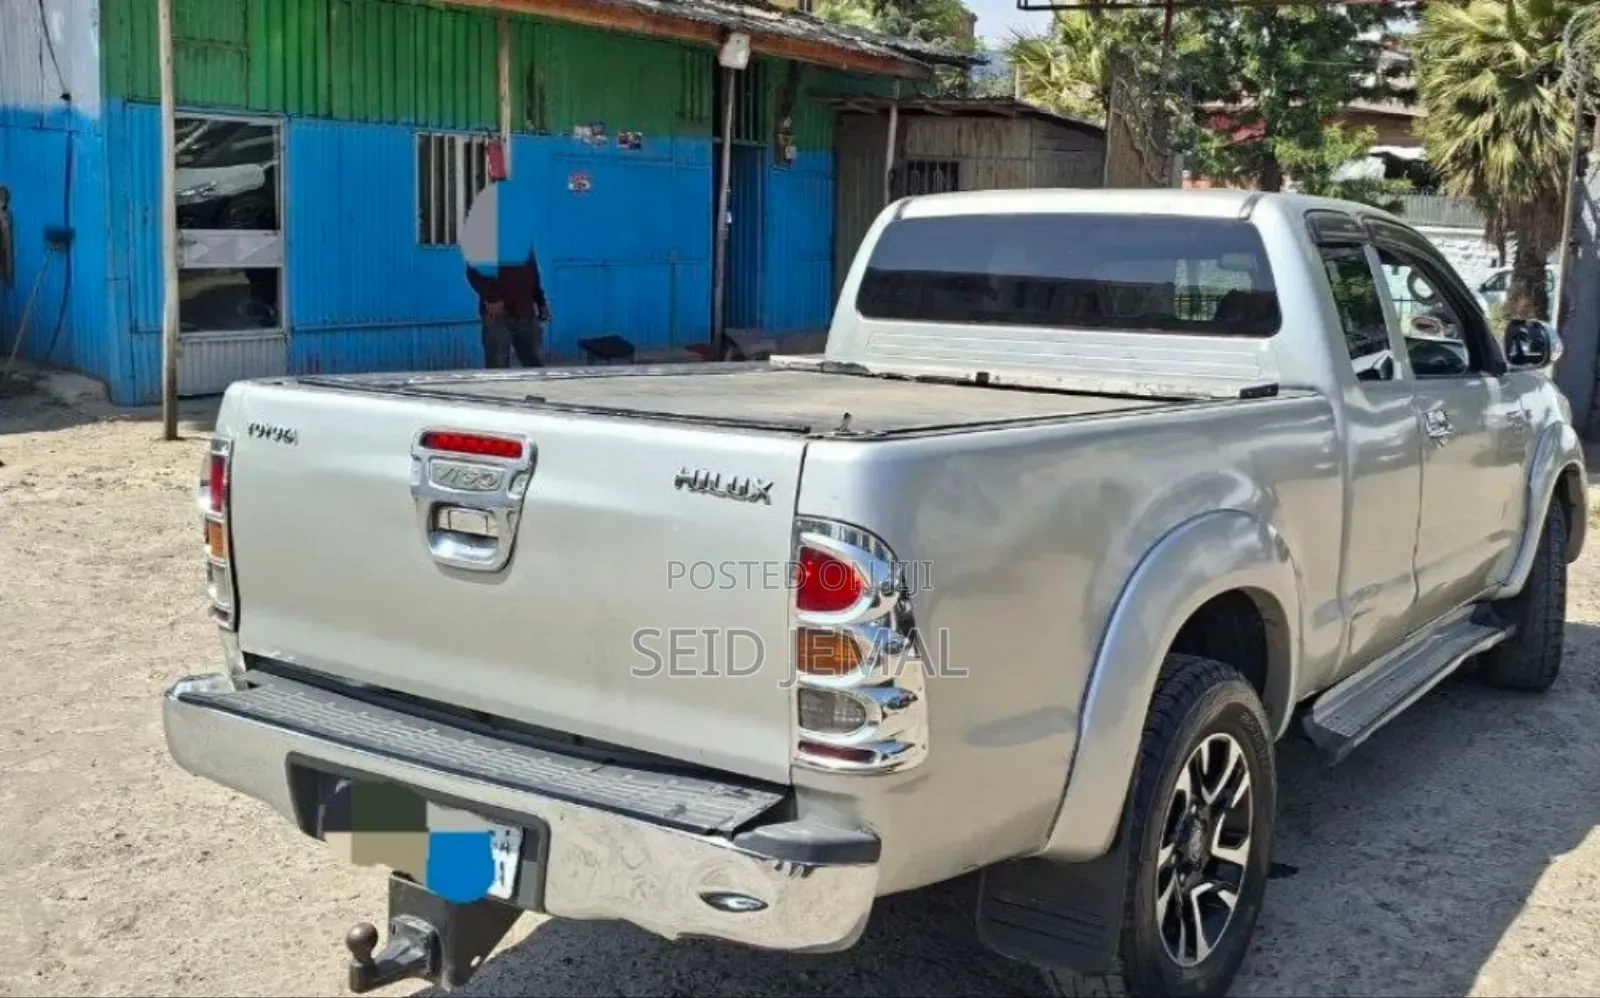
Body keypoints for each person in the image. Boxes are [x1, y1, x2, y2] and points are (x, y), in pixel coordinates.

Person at [466, 245, 549, 369]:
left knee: (534, 363)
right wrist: (492, 298)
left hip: (524, 311)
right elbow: (473, 271)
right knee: (497, 365)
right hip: (497, 314)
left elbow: (532, 273)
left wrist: (540, 301)